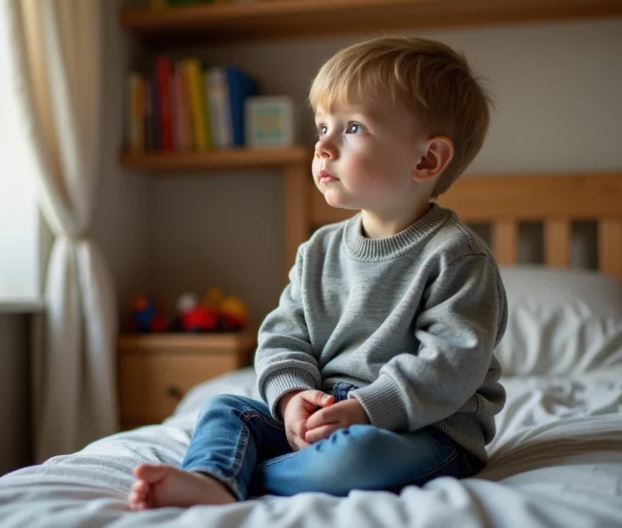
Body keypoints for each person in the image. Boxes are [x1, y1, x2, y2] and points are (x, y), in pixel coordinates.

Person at [128, 36, 508, 510]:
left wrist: (370, 409)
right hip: (323, 413)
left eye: (352, 128)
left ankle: (245, 476)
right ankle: (214, 479)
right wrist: (292, 398)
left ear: (426, 159)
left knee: (359, 456)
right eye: (321, 127)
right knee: (225, 408)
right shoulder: (319, 251)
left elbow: (451, 364)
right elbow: (284, 335)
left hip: (423, 431)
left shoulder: (456, 257)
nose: (323, 147)